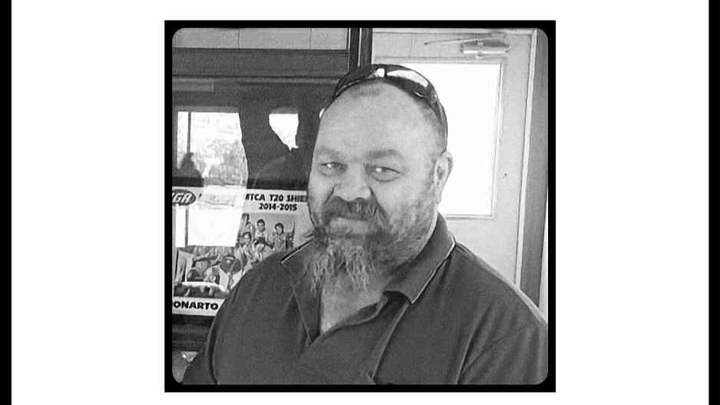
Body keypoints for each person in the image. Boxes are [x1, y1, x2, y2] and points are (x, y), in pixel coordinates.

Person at [183, 64, 548, 385]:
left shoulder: (508, 342)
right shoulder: (257, 290)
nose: (350, 191)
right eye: (331, 165)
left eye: (383, 169)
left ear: (438, 176)